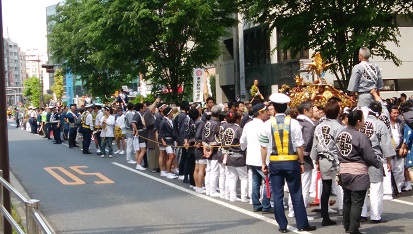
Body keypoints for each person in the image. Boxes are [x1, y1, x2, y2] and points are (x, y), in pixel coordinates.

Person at [259, 93, 316, 233]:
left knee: (277, 195)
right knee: (296, 193)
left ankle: (282, 226)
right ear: (286, 107)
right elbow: (299, 146)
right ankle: (302, 223)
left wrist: (264, 163)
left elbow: (263, 147)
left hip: (275, 162)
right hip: (291, 162)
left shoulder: (267, 124)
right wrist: (302, 162)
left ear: (273, 107)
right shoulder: (294, 123)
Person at [337, 108, 380, 234]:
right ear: (359, 121)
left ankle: (347, 225)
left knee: (347, 200)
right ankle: (353, 228)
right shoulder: (361, 136)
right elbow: (368, 155)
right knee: (357, 201)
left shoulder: (341, 133)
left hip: (344, 169)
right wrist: (376, 164)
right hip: (357, 171)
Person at [310, 100, 344, 226]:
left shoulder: (319, 126)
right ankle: (344, 211)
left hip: (323, 159)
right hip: (337, 160)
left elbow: (315, 145)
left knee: (326, 188)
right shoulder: (339, 127)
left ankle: (325, 216)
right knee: (341, 187)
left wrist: (316, 160)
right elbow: (342, 147)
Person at [240, 103, 271, 213]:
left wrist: (244, 148)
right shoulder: (264, 126)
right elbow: (267, 144)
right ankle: (266, 205)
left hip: (251, 157)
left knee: (255, 181)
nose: (268, 113)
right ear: (260, 113)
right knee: (268, 181)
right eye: (266, 111)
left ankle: (257, 204)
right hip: (261, 158)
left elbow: (242, 141)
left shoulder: (248, 125)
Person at [288, 101, 315, 219]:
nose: (314, 111)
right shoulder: (308, 125)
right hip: (304, 158)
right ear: (305, 111)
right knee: (304, 187)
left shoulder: (292, 123)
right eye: (312, 109)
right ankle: (301, 212)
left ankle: (292, 210)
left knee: (293, 186)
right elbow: (307, 143)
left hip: (290, 157)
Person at [224, 111, 248, 202]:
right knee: (243, 178)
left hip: (229, 155)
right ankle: (244, 197)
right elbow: (243, 143)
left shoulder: (226, 128)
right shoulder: (239, 129)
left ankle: (232, 196)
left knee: (232, 177)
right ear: (238, 119)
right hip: (239, 156)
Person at [389, 105, 405, 193]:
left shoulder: (401, 122)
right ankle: (390, 188)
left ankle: (398, 188)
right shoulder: (386, 123)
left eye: (397, 113)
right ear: (390, 113)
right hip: (390, 150)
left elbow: (405, 134)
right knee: (390, 170)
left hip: (399, 149)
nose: (396, 115)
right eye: (394, 113)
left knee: (399, 170)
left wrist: (404, 146)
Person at [159, 107, 178, 179]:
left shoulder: (172, 121)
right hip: (167, 141)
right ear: (169, 113)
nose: (172, 113)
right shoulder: (163, 121)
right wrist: (163, 141)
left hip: (172, 140)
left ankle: (169, 171)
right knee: (171, 156)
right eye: (172, 112)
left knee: (172, 156)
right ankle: (168, 172)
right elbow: (161, 132)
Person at [132, 103, 148, 170]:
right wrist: (136, 130)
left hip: (139, 133)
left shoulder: (137, 114)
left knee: (138, 150)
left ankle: (138, 163)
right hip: (140, 133)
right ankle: (138, 164)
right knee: (143, 149)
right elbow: (133, 122)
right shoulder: (138, 115)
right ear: (140, 108)